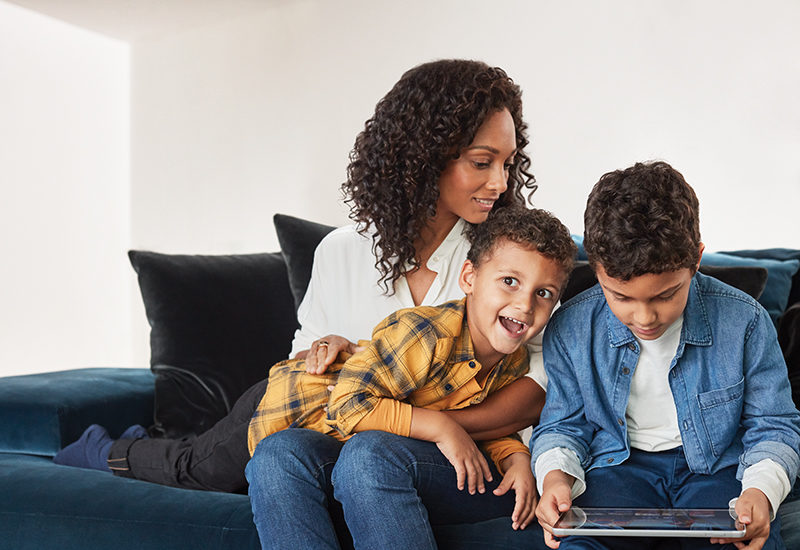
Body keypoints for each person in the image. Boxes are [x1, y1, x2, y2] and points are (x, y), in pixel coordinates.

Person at [55, 59, 548, 544]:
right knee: (201, 466)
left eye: (507, 163)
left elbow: (536, 389)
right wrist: (329, 348)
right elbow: (307, 367)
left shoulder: (502, 265)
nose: (501, 183)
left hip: (375, 443)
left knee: (364, 455)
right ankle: (104, 449)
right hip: (310, 410)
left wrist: (437, 427)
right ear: (424, 156)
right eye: (482, 163)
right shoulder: (343, 251)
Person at [246, 206, 576, 550]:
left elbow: (487, 422)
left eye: (544, 293)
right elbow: (346, 403)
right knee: (276, 453)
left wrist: (516, 457)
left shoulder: (515, 360)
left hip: (380, 454)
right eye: (510, 282)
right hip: (311, 418)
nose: (524, 304)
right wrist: (442, 427)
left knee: (368, 454)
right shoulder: (425, 334)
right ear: (469, 279)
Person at [530, 161, 800, 550]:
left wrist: (761, 492)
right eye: (620, 297)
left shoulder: (746, 322)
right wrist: (555, 476)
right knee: (578, 543)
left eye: (665, 295)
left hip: (719, 472)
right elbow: (563, 425)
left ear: (696, 262)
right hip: (616, 470)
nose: (644, 317)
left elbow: (773, 425)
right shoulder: (571, 328)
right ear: (596, 268)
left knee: (745, 541)